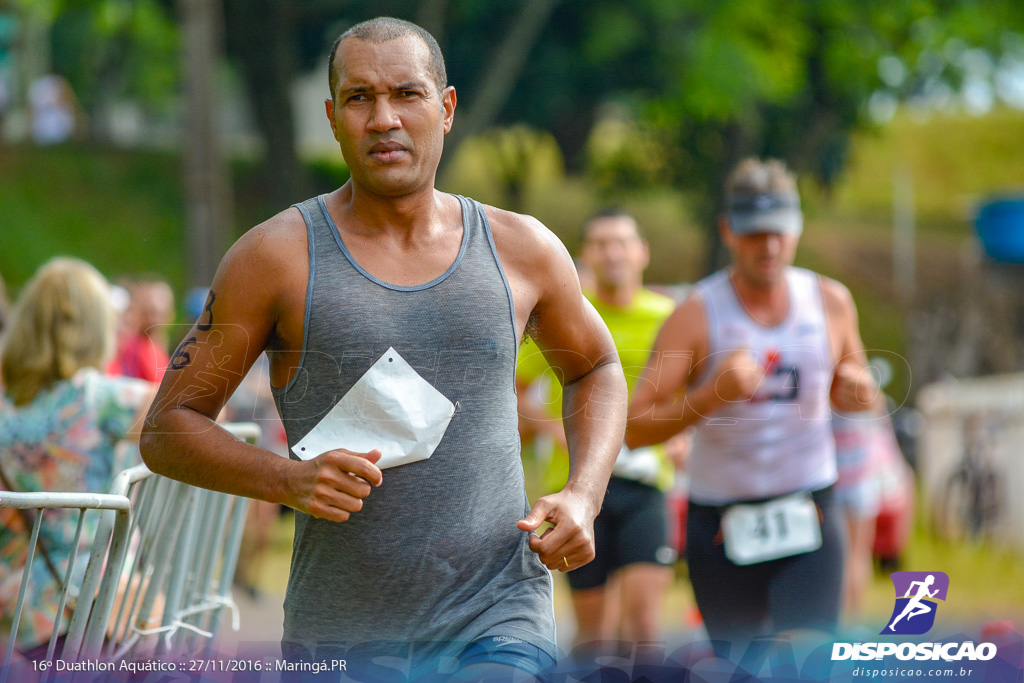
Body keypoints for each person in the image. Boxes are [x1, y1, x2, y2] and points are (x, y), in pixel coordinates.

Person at [140, 16, 626, 680]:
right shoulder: (274, 258)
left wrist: (583, 493)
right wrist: (288, 478)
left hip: (497, 616)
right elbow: (167, 427)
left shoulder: (522, 248)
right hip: (337, 637)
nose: (384, 117)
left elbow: (596, 366)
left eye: (407, 93)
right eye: (360, 98)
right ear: (334, 116)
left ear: (446, 108)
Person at [626, 158, 877, 648]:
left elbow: (859, 388)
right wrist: (711, 395)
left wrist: (859, 393)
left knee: (807, 660)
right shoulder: (697, 314)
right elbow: (635, 427)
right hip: (722, 520)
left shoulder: (830, 302)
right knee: (741, 667)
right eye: (755, 233)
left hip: (810, 509)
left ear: (798, 229)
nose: (770, 245)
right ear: (729, 232)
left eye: (780, 231)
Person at [518, 209, 680, 647]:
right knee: (593, 636)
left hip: (646, 482)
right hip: (576, 490)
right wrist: (549, 427)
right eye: (601, 244)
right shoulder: (565, 318)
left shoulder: (670, 316)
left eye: (622, 242)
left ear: (642, 252)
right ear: (584, 256)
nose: (612, 254)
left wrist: (683, 435)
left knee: (644, 627)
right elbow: (511, 390)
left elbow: (696, 388)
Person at [0, 258, 153, 654]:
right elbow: (192, 410)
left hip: (21, 609)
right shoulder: (96, 398)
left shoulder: (4, 407)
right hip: (97, 601)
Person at [107, 277, 174, 383]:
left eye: (159, 313)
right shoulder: (135, 349)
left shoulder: (155, 349)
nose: (154, 319)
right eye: (151, 312)